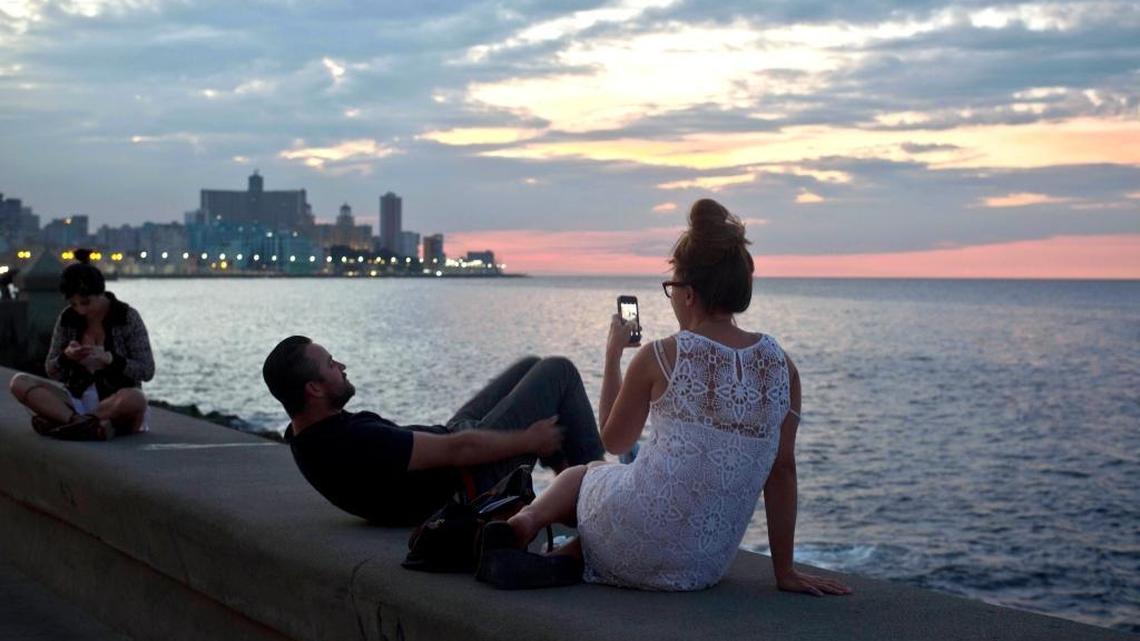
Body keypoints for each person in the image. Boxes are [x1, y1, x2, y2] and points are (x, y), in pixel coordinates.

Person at [477, 199, 853, 596]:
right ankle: (568, 559)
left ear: (689, 294)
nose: (671, 297)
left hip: (639, 531)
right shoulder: (782, 367)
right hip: (702, 564)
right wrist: (785, 572)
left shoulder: (661, 354)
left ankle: (524, 525)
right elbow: (782, 472)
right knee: (623, 503)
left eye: (671, 288)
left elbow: (614, 441)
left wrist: (611, 358)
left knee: (584, 474)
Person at [261, 336, 605, 526]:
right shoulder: (353, 442)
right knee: (559, 371)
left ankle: (568, 490)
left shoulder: (308, 437)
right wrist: (529, 440)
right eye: (331, 365)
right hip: (473, 479)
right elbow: (459, 451)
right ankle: (601, 505)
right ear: (314, 389)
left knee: (530, 366)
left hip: (454, 445)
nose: (342, 367)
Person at [8, 262, 154, 440]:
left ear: (100, 293)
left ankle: (66, 423)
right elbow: (51, 370)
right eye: (74, 303)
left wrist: (110, 360)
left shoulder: (127, 317)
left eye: (86, 302)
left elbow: (147, 371)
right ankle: (80, 423)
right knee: (19, 382)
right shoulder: (67, 318)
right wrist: (66, 357)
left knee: (136, 398)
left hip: (115, 403)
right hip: (74, 401)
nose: (80, 310)